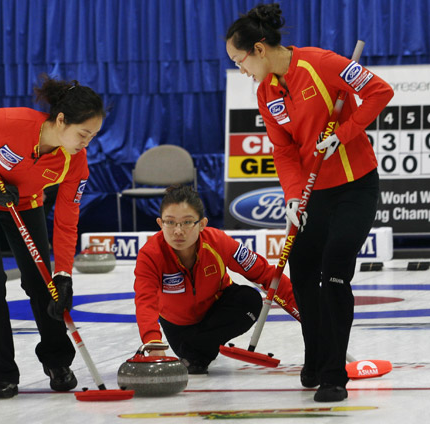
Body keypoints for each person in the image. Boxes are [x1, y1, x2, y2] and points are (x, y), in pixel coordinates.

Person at [226, 3, 394, 402]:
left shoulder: (321, 63)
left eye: (240, 60)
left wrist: (345, 133)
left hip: (355, 187)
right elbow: (283, 151)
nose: (241, 70)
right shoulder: (267, 93)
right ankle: (316, 356)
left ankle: (335, 374)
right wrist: (292, 198)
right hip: (312, 194)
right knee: (302, 269)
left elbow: (378, 91)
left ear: (260, 49)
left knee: (335, 268)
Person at [0, 75, 105, 398]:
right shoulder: (9, 123)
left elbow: (66, 220)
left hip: (24, 203)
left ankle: (58, 362)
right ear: (61, 120)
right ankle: (3, 373)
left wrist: (63, 273)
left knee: (43, 283)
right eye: (83, 134)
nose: (86, 143)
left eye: (93, 136)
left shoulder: (75, 162)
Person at [133, 185, 299, 374]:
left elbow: (267, 275)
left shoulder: (219, 242)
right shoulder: (150, 254)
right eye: (170, 222)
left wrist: (310, 317)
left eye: (187, 222)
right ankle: (196, 352)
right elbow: (145, 301)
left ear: (202, 224)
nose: (178, 231)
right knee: (194, 360)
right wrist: (153, 343)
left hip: (217, 313)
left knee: (249, 299)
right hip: (178, 327)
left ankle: (196, 352)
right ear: (160, 223)